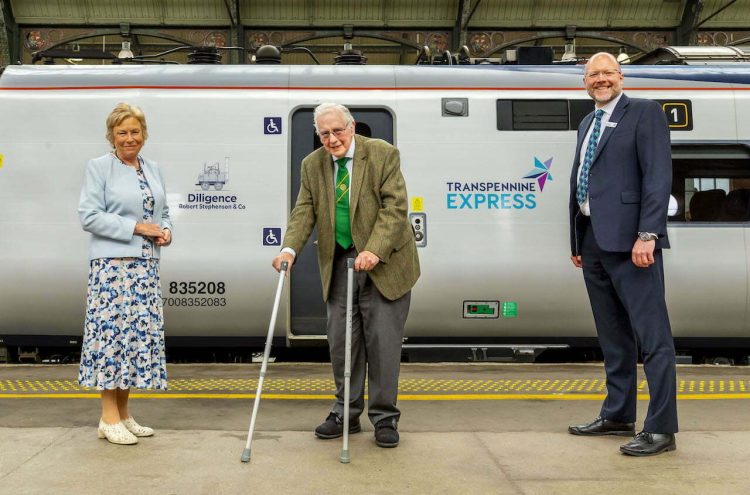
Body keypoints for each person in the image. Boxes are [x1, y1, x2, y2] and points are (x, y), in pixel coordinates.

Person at [272, 103, 419, 448]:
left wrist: (374, 249)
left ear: (352, 128)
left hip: (385, 263)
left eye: (337, 131)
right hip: (340, 263)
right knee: (342, 343)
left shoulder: (382, 154)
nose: (332, 139)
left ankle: (384, 418)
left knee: (382, 344)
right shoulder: (313, 165)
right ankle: (346, 414)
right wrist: (289, 249)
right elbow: (304, 210)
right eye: (324, 133)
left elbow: (394, 208)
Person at [568, 52, 678, 456]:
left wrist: (649, 233)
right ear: (584, 81)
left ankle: (662, 428)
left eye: (607, 73)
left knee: (653, 338)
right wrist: (578, 241)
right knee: (613, 338)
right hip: (594, 239)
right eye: (593, 74)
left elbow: (657, 175)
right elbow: (585, 179)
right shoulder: (587, 121)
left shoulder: (644, 113)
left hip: (634, 242)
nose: (600, 80)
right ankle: (617, 414)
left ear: (621, 76)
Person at [78, 103, 173, 445]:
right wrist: (137, 227)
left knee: (133, 340)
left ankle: (124, 413)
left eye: (135, 131)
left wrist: (165, 230)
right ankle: (107, 417)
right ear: (112, 136)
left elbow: (162, 213)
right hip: (113, 269)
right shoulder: (99, 168)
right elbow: (88, 216)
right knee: (112, 340)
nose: (129, 138)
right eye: (122, 132)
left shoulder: (153, 169)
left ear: (143, 135)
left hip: (145, 267)